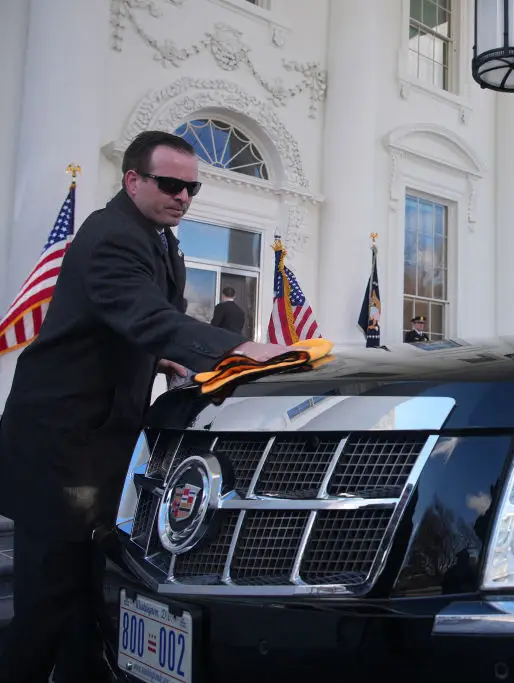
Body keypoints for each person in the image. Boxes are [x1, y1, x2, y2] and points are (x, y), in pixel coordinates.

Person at [0, 130, 295, 682]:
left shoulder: (159, 236)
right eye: (170, 184)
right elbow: (143, 314)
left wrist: (159, 362)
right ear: (133, 180)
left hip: (99, 449)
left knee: (87, 602)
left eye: (192, 188)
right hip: (60, 450)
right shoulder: (112, 234)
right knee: (46, 607)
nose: (183, 197)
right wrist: (238, 347)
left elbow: (112, 326)